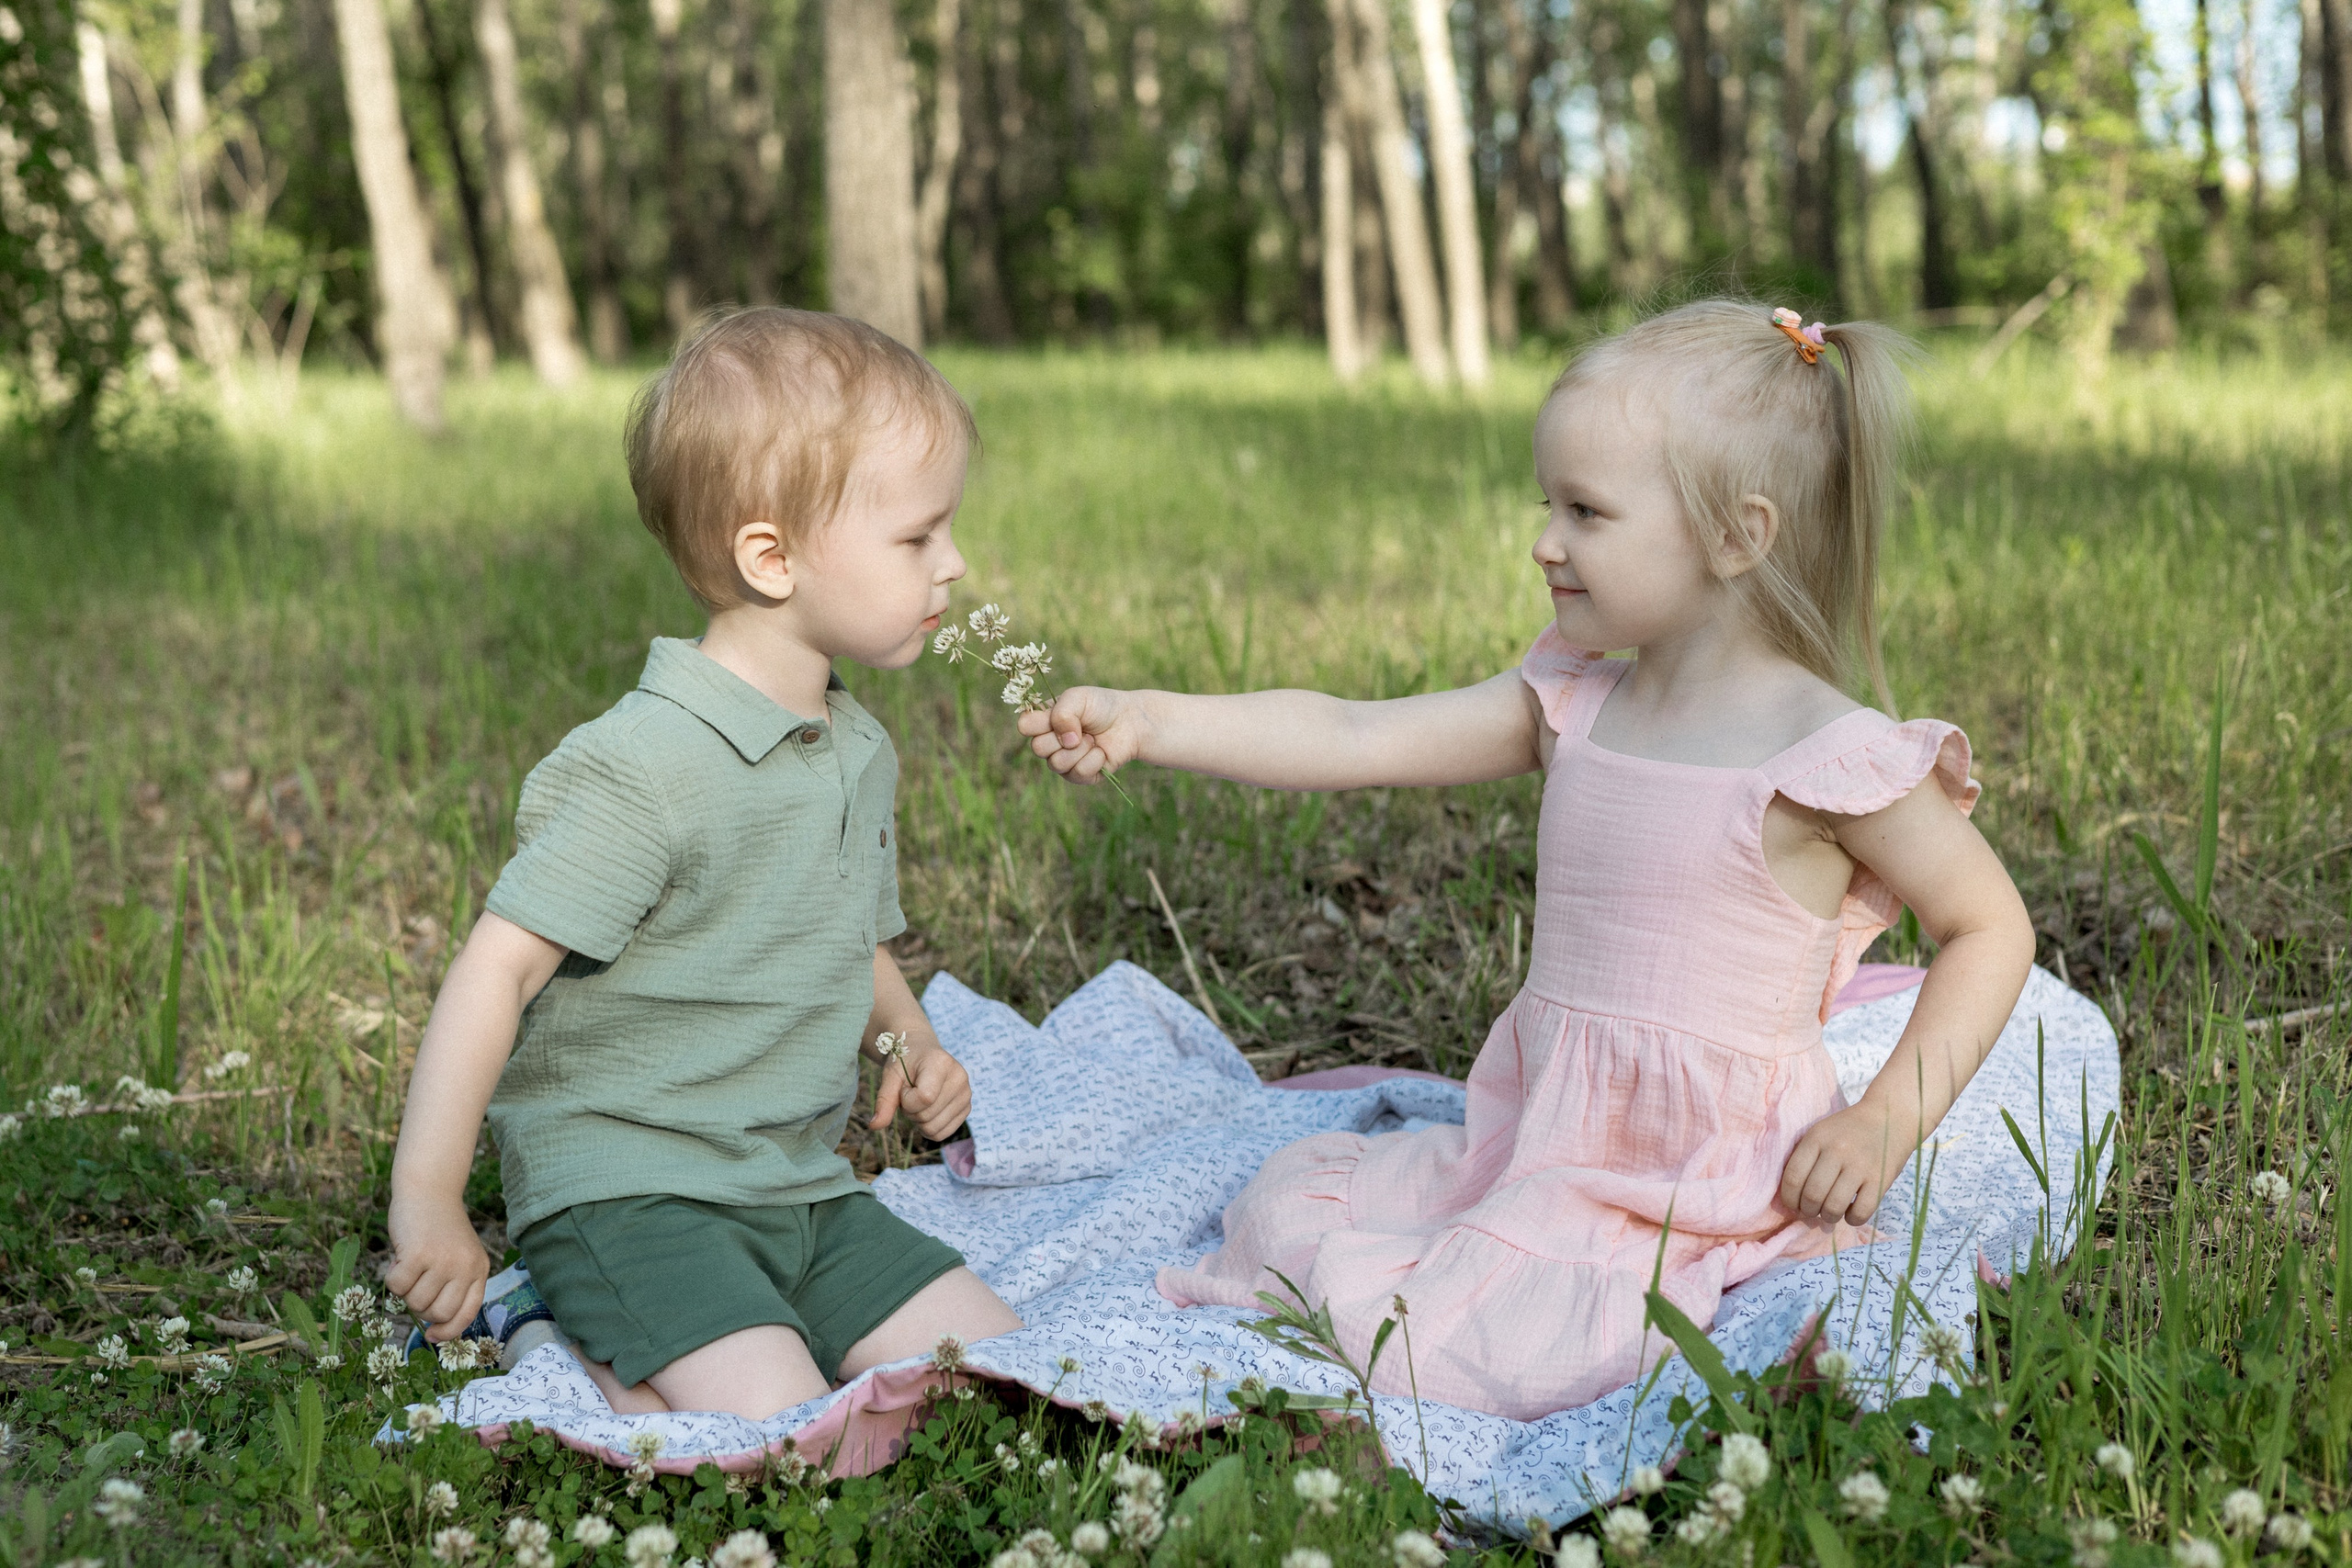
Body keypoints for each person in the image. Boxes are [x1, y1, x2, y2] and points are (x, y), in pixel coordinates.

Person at [1017, 300, 2035, 1421]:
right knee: (1293, 1211)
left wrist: (1886, 1119)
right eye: (1546, 504)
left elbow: (1989, 926)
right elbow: (1357, 734)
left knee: (1485, 1342)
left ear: (1738, 536)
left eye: (1586, 511)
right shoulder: (1576, 704)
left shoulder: (1827, 759)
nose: (1543, 541)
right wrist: (1153, 719)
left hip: (1708, 1180)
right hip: (1538, 1146)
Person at [386, 309, 1021, 1422]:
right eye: (919, 537)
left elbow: (849, 937)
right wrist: (430, 1202)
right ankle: (558, 1317)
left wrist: (911, 1042)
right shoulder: (644, 767)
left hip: (798, 1188)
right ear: (770, 557)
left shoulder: (854, 746)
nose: (955, 564)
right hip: (634, 1191)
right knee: (781, 1428)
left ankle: (679, 1335)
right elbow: (498, 971)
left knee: (1008, 1368)